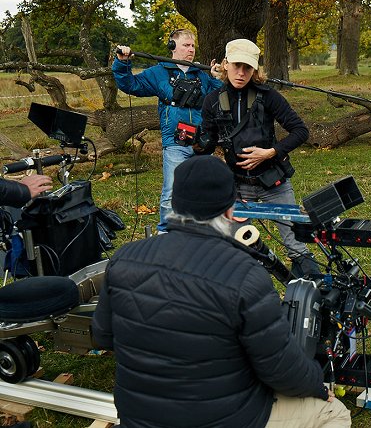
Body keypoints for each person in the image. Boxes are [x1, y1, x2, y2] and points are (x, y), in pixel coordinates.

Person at [91, 155, 351, 428]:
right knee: (335, 414)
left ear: (175, 203)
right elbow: (280, 369)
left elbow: (102, 336)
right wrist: (318, 387)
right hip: (224, 418)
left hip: (140, 417)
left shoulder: (124, 257)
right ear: (230, 210)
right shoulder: (245, 274)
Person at [200, 38, 318, 276]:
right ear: (225, 64)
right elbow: (207, 143)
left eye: (248, 67)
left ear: (255, 69)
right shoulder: (213, 100)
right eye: (236, 66)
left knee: (297, 245)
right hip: (236, 186)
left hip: (272, 181)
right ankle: (253, 293)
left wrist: (270, 152)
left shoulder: (268, 96)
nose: (241, 73)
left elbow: (300, 131)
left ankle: (313, 292)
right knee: (241, 246)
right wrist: (195, 145)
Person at [113, 29, 222, 233]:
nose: (191, 49)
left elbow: (220, 98)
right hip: (175, 142)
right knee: (172, 190)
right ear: (172, 47)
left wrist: (216, 77)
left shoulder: (202, 75)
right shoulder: (157, 73)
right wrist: (122, 62)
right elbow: (130, 84)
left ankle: (198, 231)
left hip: (201, 142)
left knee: (201, 190)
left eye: (192, 46)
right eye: (186, 45)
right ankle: (166, 232)